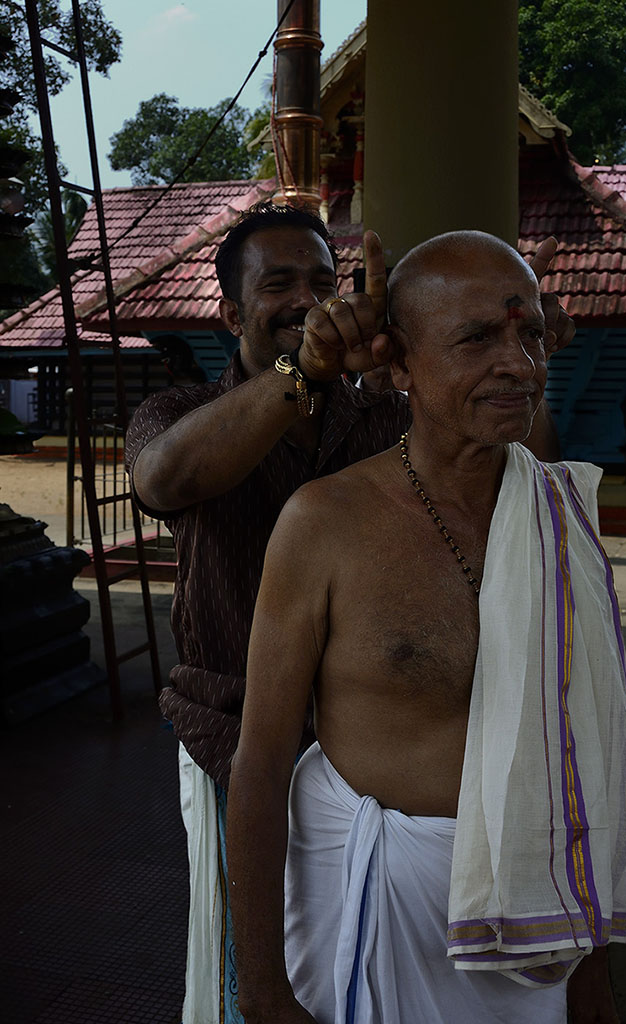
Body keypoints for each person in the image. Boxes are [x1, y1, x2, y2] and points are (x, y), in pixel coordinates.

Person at [125, 202, 573, 1023]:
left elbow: (510, 464)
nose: (307, 298)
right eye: (280, 284)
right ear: (230, 312)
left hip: (354, 746)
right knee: (250, 974)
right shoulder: (179, 410)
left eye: (324, 283)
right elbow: (166, 480)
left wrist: (507, 358)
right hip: (235, 731)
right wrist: (304, 372)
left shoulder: (380, 417)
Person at [226, 230, 626, 1024]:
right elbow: (261, 762)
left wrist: (589, 977)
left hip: (539, 917)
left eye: (528, 333)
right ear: (400, 367)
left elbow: (582, 753)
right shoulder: (325, 524)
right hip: (383, 914)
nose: (518, 364)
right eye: (478, 338)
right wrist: (264, 993)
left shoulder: (558, 515)